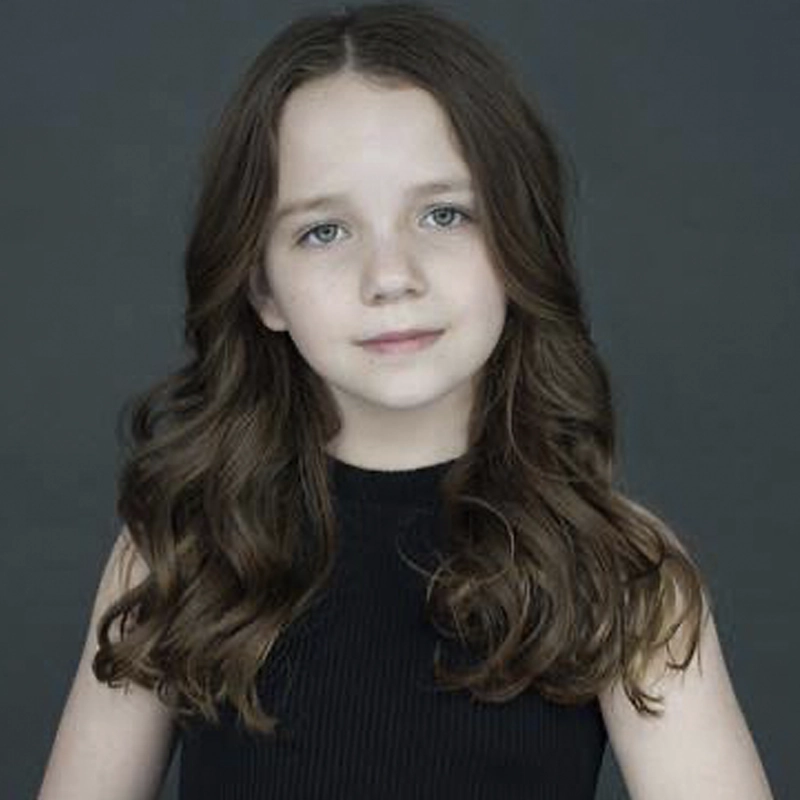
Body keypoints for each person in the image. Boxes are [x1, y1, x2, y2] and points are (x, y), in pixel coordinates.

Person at [37, 3, 775, 799]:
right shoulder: (179, 546)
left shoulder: (622, 571)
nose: (391, 275)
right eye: (325, 231)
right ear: (262, 287)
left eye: (443, 214)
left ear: (517, 246)